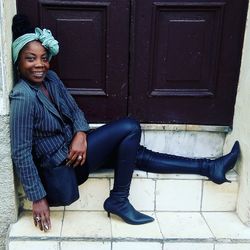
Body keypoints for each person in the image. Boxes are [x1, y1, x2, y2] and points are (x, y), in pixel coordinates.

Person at [10, 14, 240, 232]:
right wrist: (37, 197)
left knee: (134, 153)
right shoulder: (23, 96)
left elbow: (74, 110)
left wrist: (81, 134)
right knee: (130, 127)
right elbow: (20, 152)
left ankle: (209, 167)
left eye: (43, 58)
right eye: (30, 59)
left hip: (76, 151)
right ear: (17, 61)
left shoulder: (50, 79)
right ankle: (119, 199)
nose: (39, 64)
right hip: (62, 167)